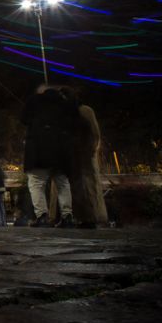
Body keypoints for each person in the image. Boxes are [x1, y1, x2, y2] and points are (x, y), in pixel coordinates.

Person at [22, 84, 77, 228]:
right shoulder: (65, 103)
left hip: (39, 149)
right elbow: (73, 123)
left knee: (36, 183)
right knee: (62, 183)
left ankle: (42, 216)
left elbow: (24, 119)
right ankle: (67, 215)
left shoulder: (34, 101)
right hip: (61, 150)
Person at [62, 88, 108, 228]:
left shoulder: (84, 111)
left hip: (84, 156)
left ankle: (91, 217)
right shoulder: (66, 114)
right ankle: (82, 217)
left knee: (86, 187)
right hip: (74, 156)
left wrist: (92, 150)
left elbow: (94, 134)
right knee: (77, 188)